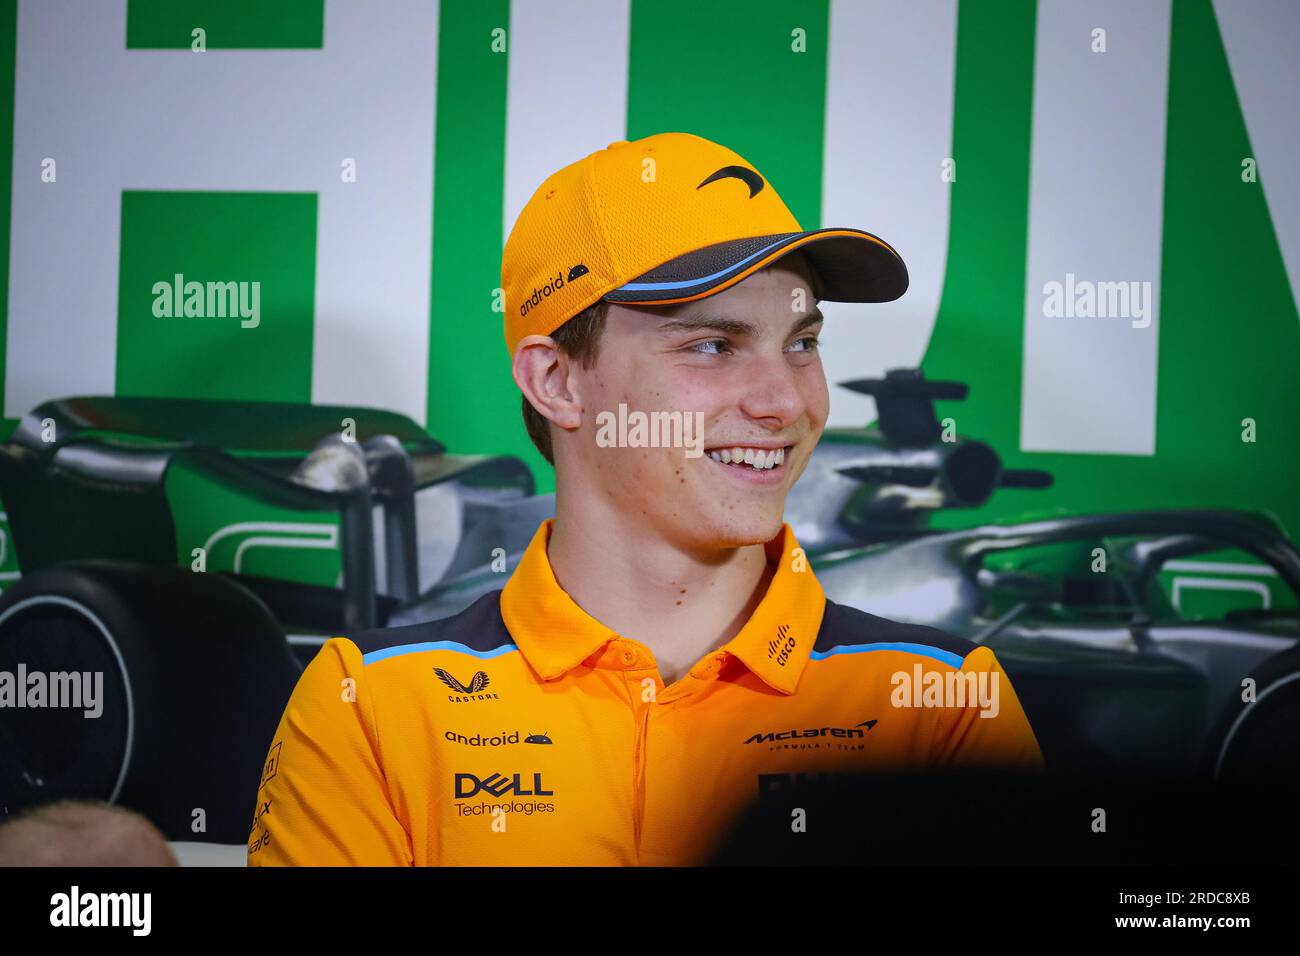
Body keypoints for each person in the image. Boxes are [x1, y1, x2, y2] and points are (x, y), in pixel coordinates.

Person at [248, 132, 1044, 867]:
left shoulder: (937, 699)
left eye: (802, 344)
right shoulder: (373, 701)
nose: (785, 401)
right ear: (556, 381)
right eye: (712, 345)